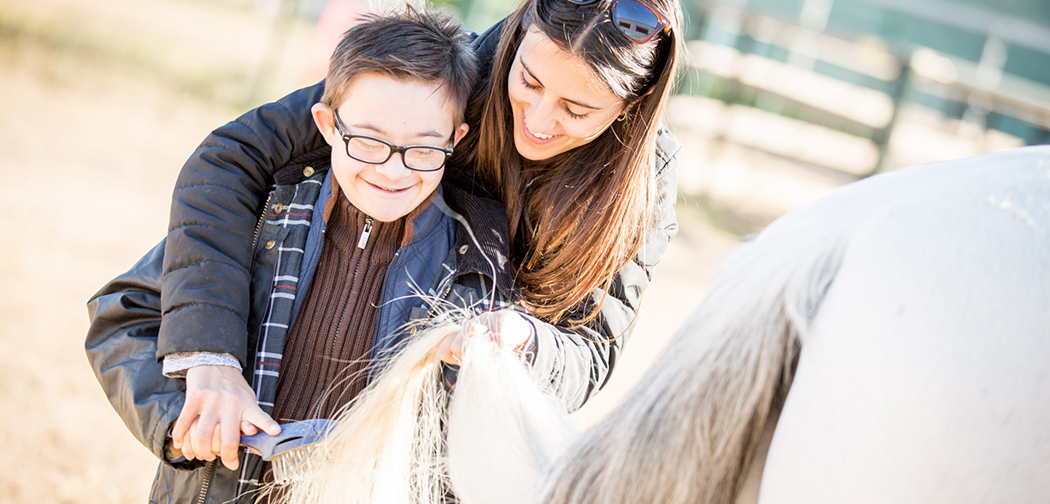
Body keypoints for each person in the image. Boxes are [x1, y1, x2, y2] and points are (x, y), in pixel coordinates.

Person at [160, 0, 684, 433]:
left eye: (578, 110)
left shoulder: (645, 182)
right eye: (528, 80)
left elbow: (590, 351)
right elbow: (232, 157)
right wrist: (212, 355)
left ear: (632, 107)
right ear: (520, 35)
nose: (540, 119)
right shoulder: (450, 77)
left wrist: (529, 342)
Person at [87, 7, 524, 503]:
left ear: (455, 139)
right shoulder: (264, 216)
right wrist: (181, 418)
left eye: (423, 149)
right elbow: (123, 316)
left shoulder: (473, 258)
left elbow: (478, 430)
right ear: (327, 124)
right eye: (367, 141)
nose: (393, 170)